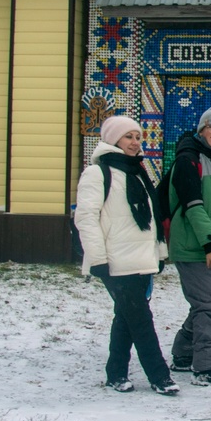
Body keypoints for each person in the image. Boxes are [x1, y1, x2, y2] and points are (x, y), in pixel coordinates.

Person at [74, 116, 179, 395]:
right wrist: (97, 259)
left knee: (126, 317)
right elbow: (86, 218)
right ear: (113, 140)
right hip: (115, 261)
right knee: (141, 320)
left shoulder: (137, 172)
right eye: (128, 137)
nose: (135, 143)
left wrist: (158, 254)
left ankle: (116, 373)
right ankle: (160, 376)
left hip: (141, 260)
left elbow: (152, 220)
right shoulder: (97, 173)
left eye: (137, 137)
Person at [168, 105, 211, 388]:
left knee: (204, 304)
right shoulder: (189, 160)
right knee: (209, 306)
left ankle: (183, 354)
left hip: (207, 247)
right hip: (195, 248)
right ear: (201, 129)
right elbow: (193, 207)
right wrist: (210, 245)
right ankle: (206, 368)